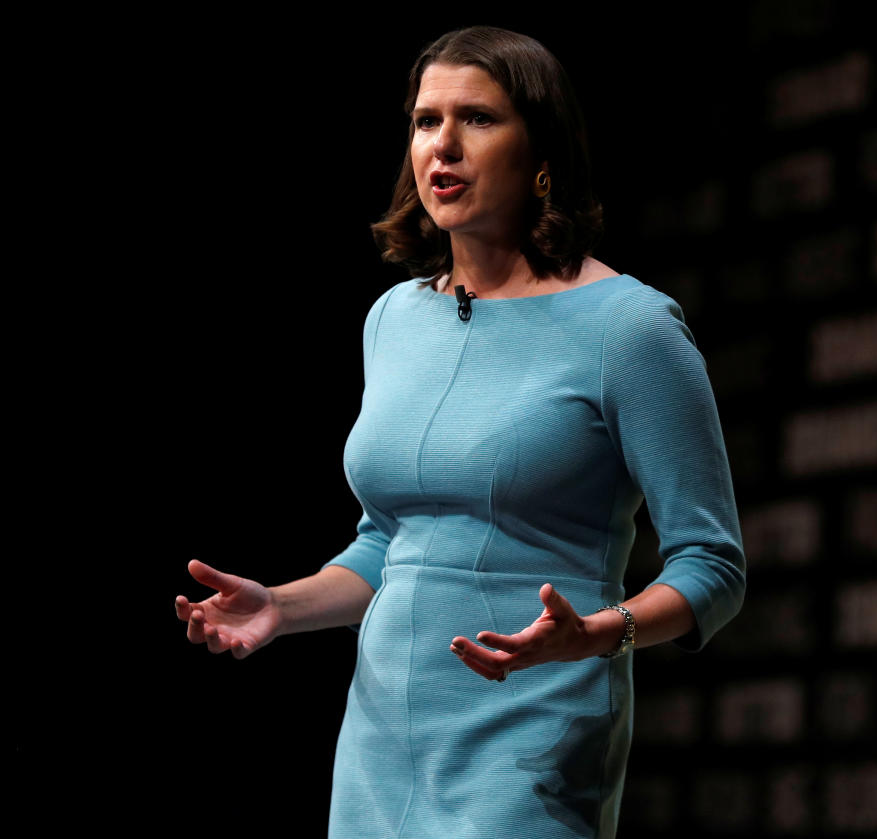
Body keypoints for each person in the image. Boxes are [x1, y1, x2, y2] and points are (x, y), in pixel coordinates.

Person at [174, 25, 745, 839]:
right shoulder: (394, 319)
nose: (441, 144)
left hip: (531, 740)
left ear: (541, 150)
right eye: (423, 120)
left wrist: (598, 634)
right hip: (379, 743)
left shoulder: (630, 327)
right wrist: (281, 605)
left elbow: (714, 563)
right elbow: (390, 541)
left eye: (476, 119)